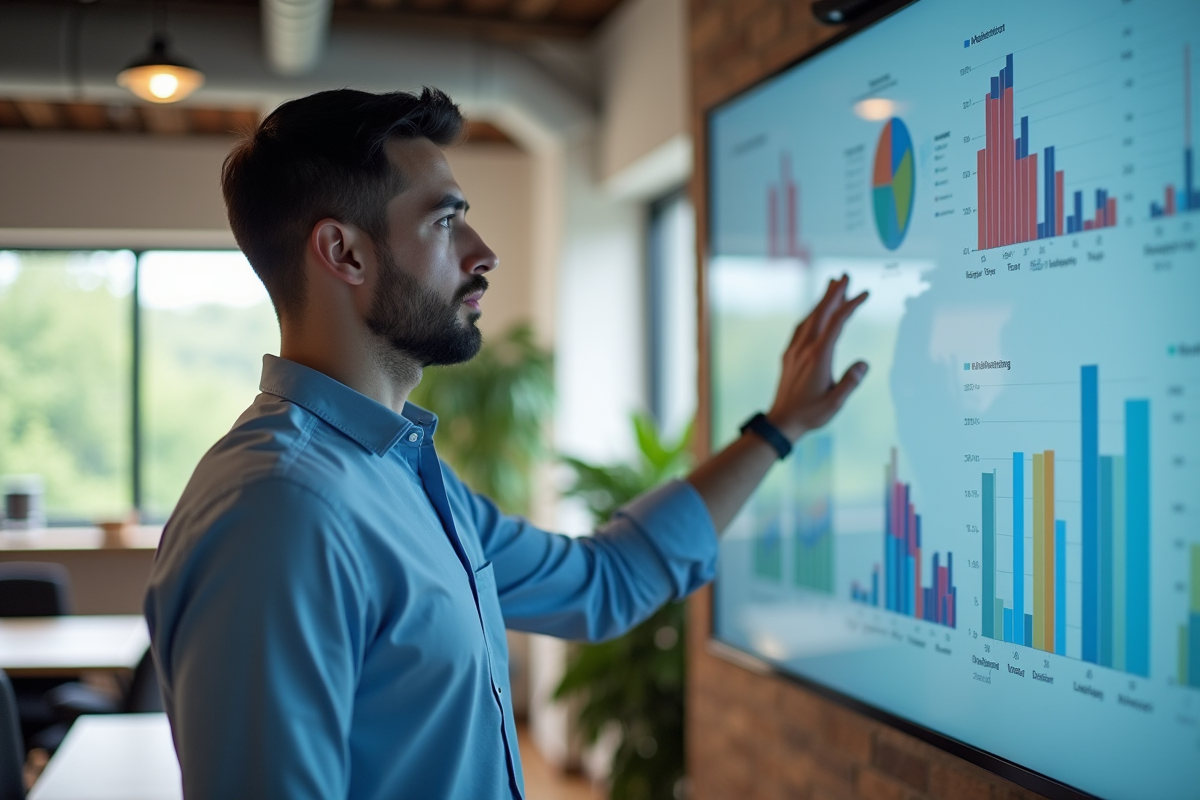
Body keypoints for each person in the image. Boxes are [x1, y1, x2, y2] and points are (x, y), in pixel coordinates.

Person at [143, 87, 868, 799]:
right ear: (344, 253)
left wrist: (779, 428)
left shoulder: (399, 474)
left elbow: (601, 583)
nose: (483, 253)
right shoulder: (280, 514)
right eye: (445, 221)